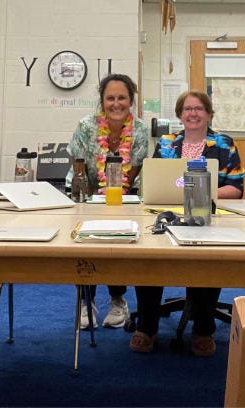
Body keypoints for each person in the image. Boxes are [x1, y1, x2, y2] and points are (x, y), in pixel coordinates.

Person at [131, 90, 245, 355]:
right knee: (148, 257)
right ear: (180, 115)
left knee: (208, 261)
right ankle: (147, 326)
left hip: (208, 216)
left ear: (208, 114)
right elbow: (154, 183)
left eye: (199, 109)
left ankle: (203, 329)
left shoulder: (224, 144)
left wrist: (201, 193)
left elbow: (236, 189)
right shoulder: (167, 143)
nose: (193, 114)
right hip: (167, 214)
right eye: (187, 109)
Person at [68, 73, 149, 328]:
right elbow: (80, 168)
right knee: (85, 244)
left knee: (120, 244)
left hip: (124, 197)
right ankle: (86, 301)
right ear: (102, 101)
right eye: (110, 98)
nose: (116, 103)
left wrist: (114, 204)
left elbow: (132, 174)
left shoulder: (140, 130)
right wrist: (91, 205)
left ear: (131, 100)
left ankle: (117, 300)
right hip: (87, 191)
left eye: (122, 98)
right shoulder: (86, 126)